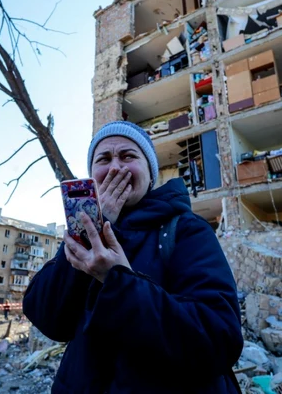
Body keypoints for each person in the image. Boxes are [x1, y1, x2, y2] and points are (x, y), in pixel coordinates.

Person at [23, 121, 243, 393]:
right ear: (92, 176)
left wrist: (118, 281)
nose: (115, 167)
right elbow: (49, 319)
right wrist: (88, 232)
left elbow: (219, 338)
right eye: (104, 159)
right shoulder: (81, 236)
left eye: (128, 156)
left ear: (150, 176)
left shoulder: (187, 230)